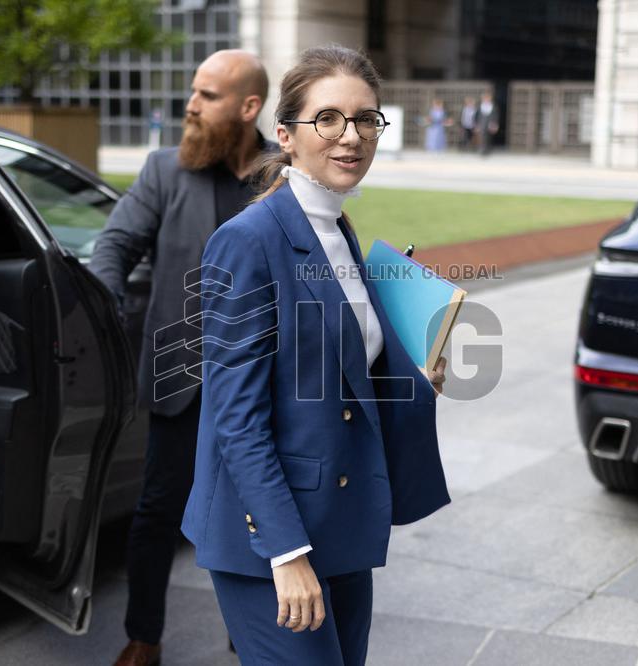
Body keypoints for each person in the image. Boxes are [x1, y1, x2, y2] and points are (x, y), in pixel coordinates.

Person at [180, 44, 451, 665]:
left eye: (365, 119)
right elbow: (235, 417)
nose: (350, 136)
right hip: (273, 538)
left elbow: (340, 379)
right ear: (285, 133)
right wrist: (286, 553)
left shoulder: (339, 229)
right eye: (327, 118)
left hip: (342, 519)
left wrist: (416, 380)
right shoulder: (245, 241)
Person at [88, 49, 273, 666]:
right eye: (193, 91)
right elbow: (115, 243)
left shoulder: (285, 179)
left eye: (207, 95)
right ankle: (143, 637)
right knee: (156, 514)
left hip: (260, 386)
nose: (190, 105)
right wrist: (106, 299)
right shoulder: (164, 169)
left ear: (249, 108)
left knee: (260, 515)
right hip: (180, 382)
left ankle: (249, 637)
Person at [476, 92, 499, 156]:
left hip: (490, 124)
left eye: (487, 98)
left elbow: (496, 116)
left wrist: (495, 124)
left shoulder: (493, 106)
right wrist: (477, 125)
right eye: (484, 98)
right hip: (482, 123)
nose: (486, 99)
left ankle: (488, 149)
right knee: (482, 137)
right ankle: (482, 149)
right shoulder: (479, 106)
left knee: (489, 137)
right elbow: (477, 116)